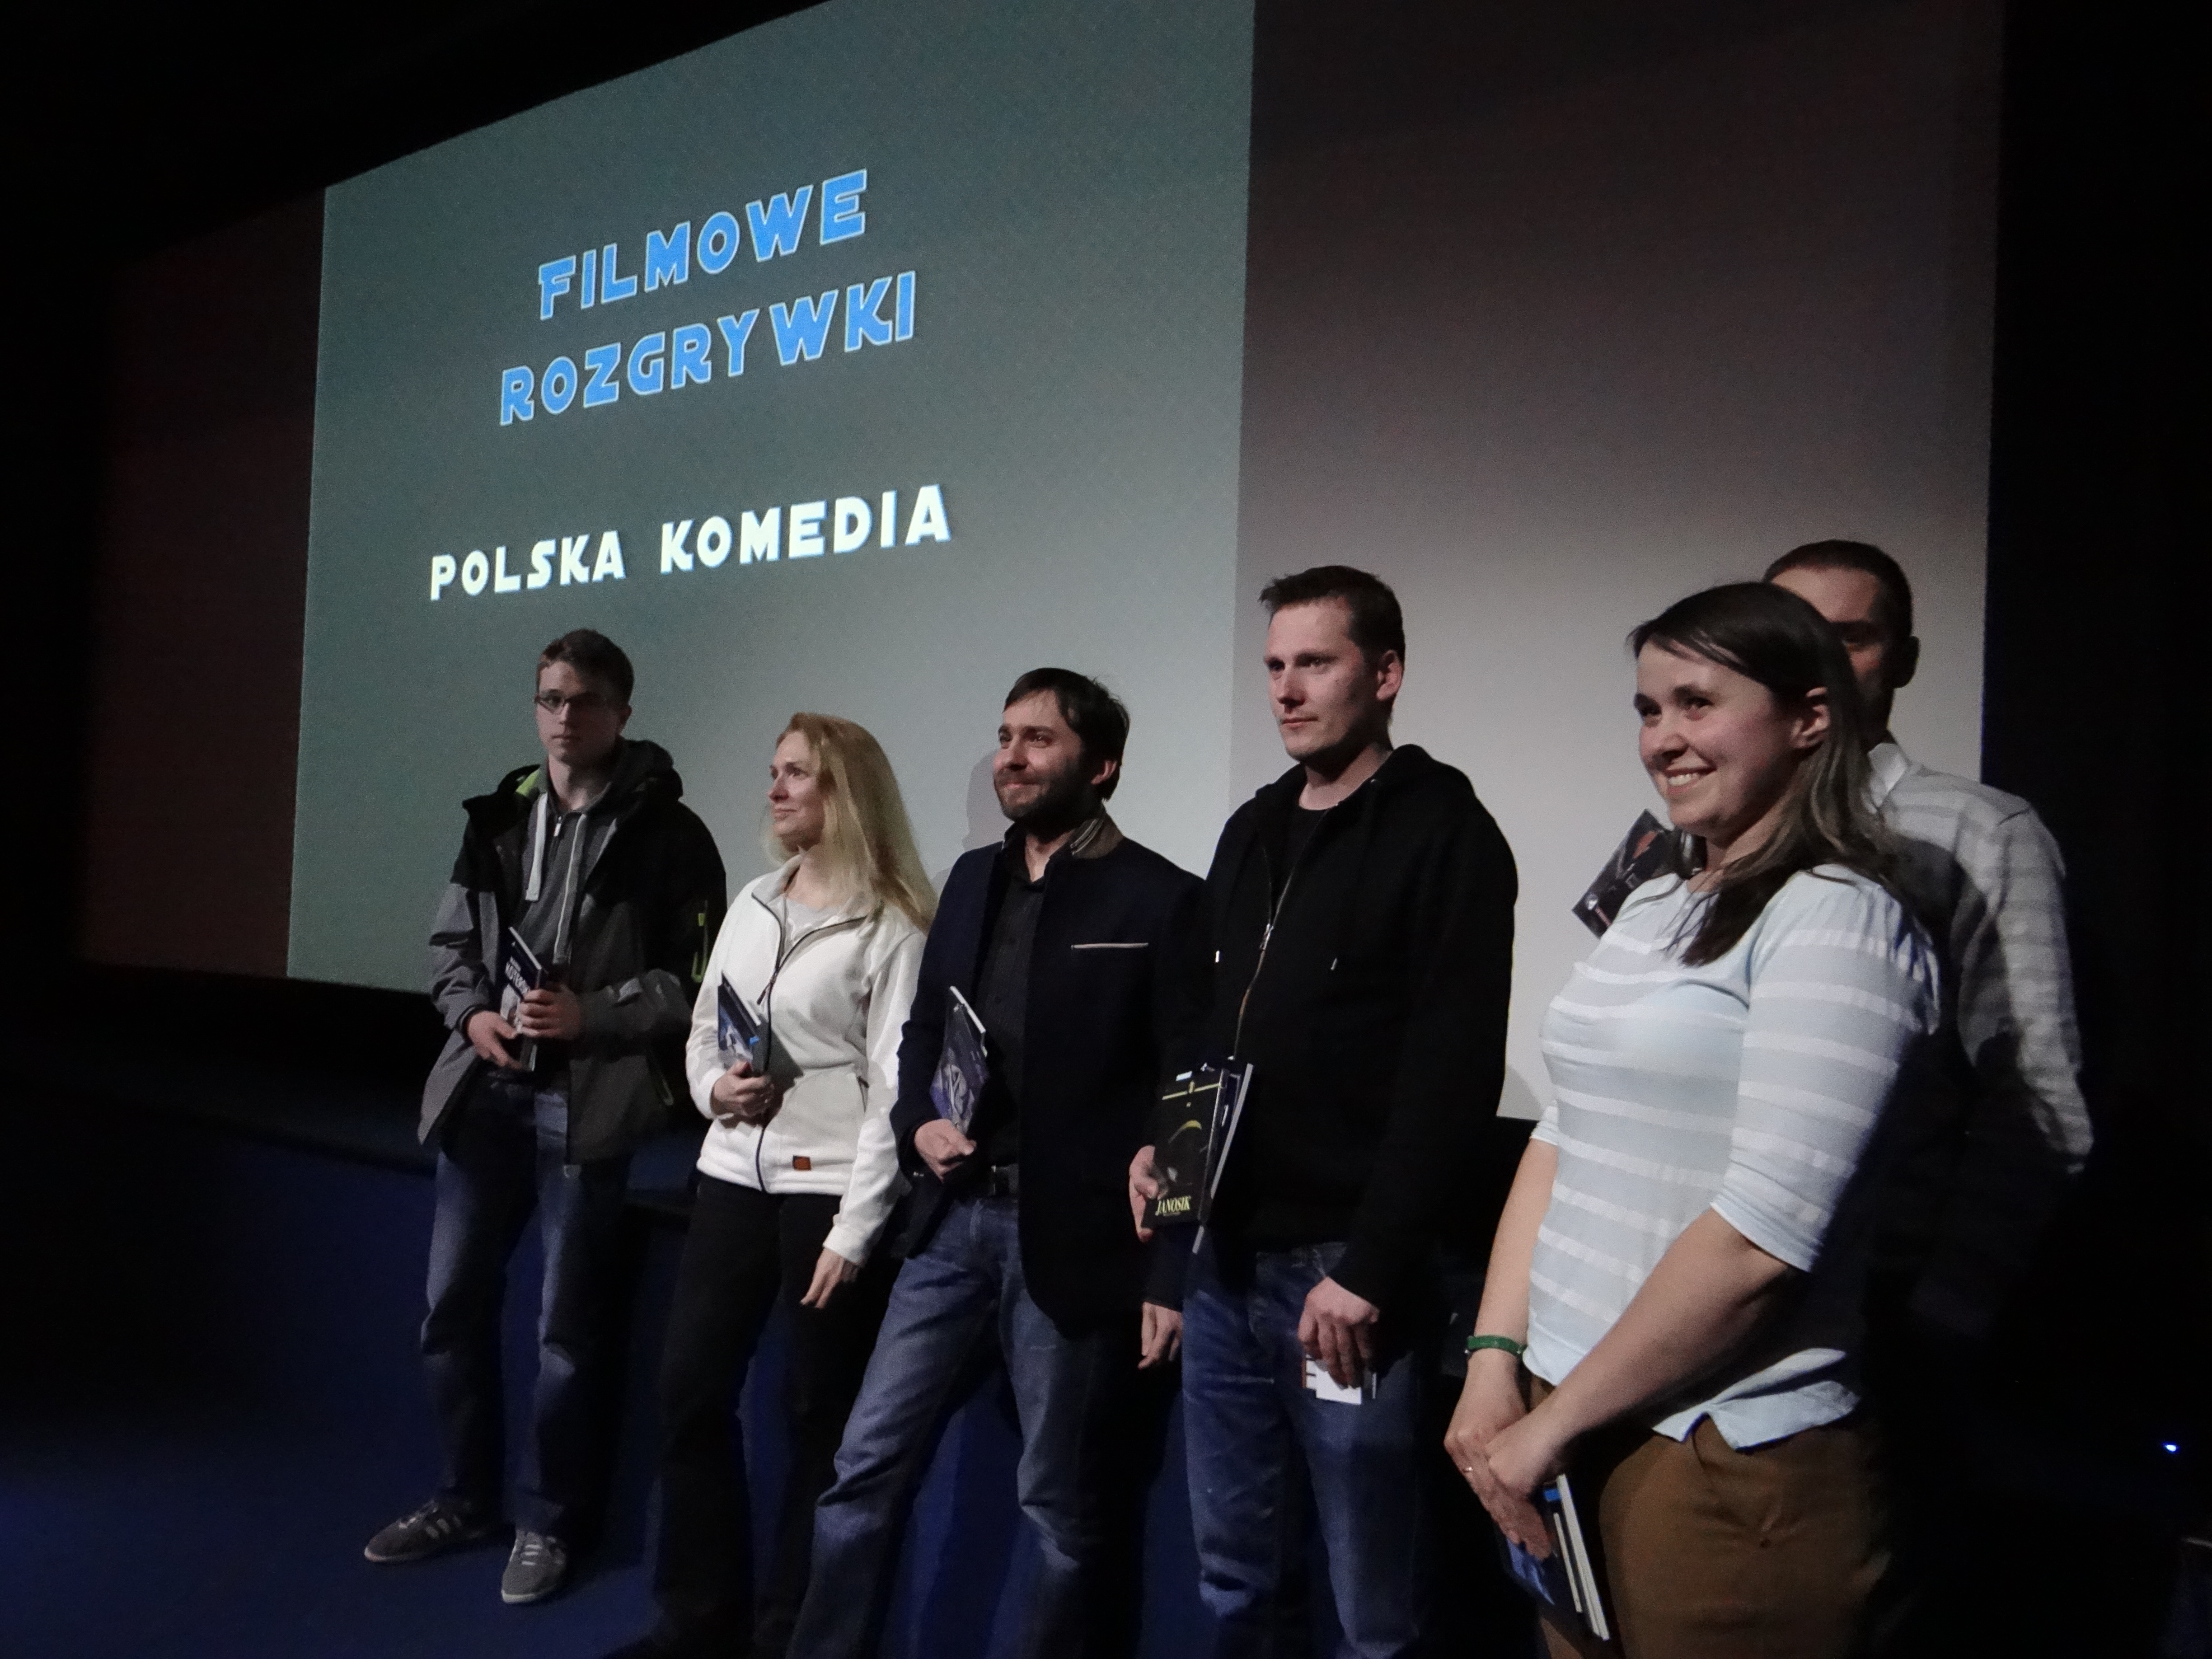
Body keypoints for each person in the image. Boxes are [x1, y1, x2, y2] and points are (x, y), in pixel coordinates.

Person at [1446, 582, 1939, 1659]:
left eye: (1697, 704)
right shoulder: (1656, 903)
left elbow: (1762, 1243)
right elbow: (1562, 1134)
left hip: (1719, 1455)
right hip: (1564, 1417)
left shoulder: (1841, 918)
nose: (1663, 739)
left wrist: (1552, 1423)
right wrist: (1494, 1361)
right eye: (1648, 709)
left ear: (1810, 718)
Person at [783, 669, 1209, 1659]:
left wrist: (1171, 1265)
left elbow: (1189, 1085)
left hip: (1075, 1244)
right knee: (862, 1470)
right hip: (950, 1222)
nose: (1011, 758)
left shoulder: (1164, 898)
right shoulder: (974, 877)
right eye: (1006, 737)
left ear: (1102, 766)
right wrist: (916, 1122)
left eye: (1038, 740)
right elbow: (925, 1033)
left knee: (1057, 1506)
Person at [1133, 565, 1518, 1658]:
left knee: (1374, 1608)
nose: (1287, 690)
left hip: (1345, 1280)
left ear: (1385, 674)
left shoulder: (1446, 832)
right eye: (1274, 666)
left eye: (1316, 663)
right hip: (1224, 1269)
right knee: (1233, 1577)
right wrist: (1171, 1204)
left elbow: (1451, 1077)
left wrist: (1373, 1269)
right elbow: (1206, 1029)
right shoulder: (1252, 829)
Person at [1765, 540, 2093, 1649]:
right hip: (1733, 1299)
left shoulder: (1977, 830)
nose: (1817, 660)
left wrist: (1945, 1312)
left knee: (1873, 1611)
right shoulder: (1717, 826)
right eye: (1791, 634)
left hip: (1885, 1308)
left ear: (1900, 661)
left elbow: (2038, 1100)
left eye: (1850, 637)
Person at [365, 629, 726, 1605]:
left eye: (586, 700)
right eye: (551, 699)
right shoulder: (497, 817)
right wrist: (471, 1015)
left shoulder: (672, 835)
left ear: (623, 712)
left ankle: (549, 1521)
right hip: (486, 1095)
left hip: (586, 1101)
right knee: (450, 1312)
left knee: (566, 1335)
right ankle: (463, 1498)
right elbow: (451, 946)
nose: (566, 717)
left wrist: (592, 1015)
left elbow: (698, 980)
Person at [608, 715, 933, 1659]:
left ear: (845, 792)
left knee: (816, 1415)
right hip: (729, 1177)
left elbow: (897, 1092)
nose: (775, 789)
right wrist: (715, 1090)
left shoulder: (892, 926)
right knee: (688, 1393)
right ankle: (697, 1617)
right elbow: (706, 1030)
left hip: (828, 1194)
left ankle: (789, 1631)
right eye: (775, 772)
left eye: (797, 774)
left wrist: (855, 1231)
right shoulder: (754, 900)